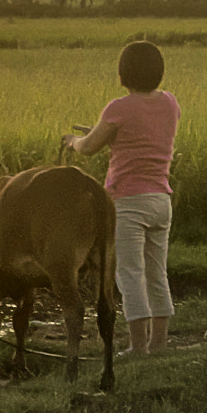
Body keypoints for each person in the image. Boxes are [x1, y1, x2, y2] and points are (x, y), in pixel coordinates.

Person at [61, 41, 179, 355]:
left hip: (128, 202)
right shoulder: (170, 103)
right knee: (157, 272)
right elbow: (142, 137)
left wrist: (73, 140)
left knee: (129, 273)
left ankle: (137, 346)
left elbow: (88, 148)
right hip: (160, 200)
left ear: (122, 75)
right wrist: (104, 132)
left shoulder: (118, 108)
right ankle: (159, 343)